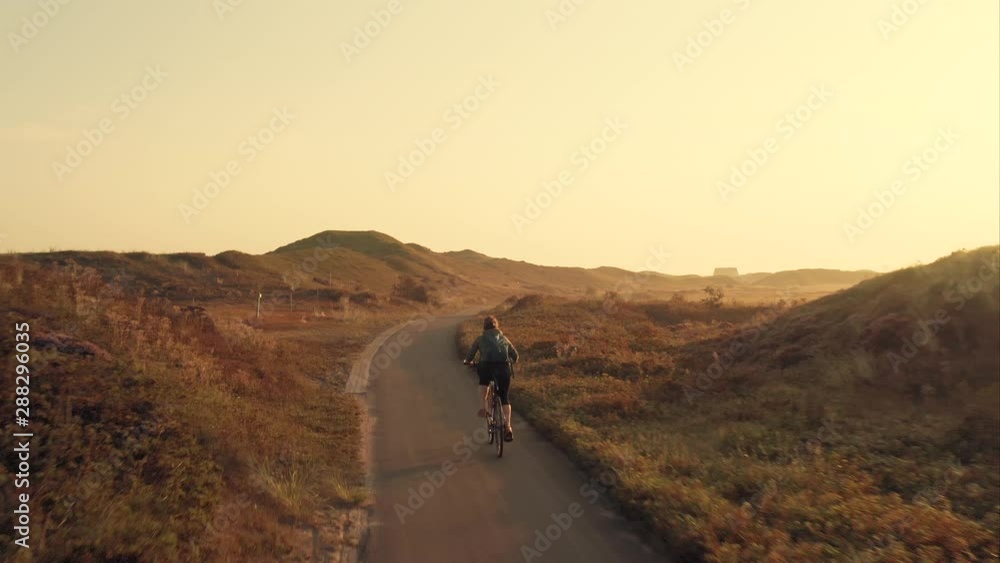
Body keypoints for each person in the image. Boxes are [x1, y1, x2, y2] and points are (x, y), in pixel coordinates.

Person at [463, 315, 518, 441]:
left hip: (486, 367)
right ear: (497, 326)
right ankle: (508, 427)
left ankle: (483, 408)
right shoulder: (504, 338)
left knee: (483, 383)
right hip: (504, 369)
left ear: (484, 327)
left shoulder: (480, 339)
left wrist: (468, 362)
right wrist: (511, 361)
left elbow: (470, 355)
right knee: (504, 398)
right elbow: (516, 356)